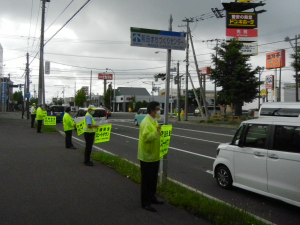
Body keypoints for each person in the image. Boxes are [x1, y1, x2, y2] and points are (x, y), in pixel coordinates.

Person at [138, 101, 164, 212]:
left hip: (154, 155)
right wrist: (158, 132)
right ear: (152, 111)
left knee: (153, 179)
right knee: (147, 180)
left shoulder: (154, 121)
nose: (159, 111)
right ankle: (145, 202)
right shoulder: (146, 122)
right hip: (147, 156)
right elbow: (147, 138)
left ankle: (152, 197)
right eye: (157, 109)